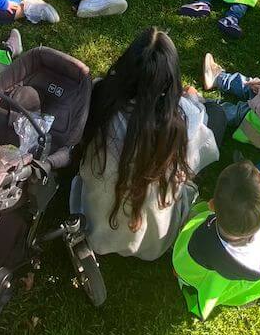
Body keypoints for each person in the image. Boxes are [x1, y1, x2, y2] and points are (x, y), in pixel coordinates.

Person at [72, 28, 226, 260]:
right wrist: (193, 98)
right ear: (170, 78)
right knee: (216, 114)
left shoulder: (100, 95)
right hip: (153, 237)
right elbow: (197, 158)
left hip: (95, 221)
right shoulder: (184, 116)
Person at [173, 161, 260, 320]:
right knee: (244, 283)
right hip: (254, 275)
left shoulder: (204, 240)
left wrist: (179, 271)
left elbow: (186, 261)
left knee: (193, 218)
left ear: (211, 205)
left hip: (219, 284)